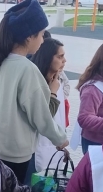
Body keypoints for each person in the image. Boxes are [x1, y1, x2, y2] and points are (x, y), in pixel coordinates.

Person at [0, 0, 68, 184]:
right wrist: (60, 138)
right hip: (18, 154)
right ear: (29, 37)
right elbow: (40, 116)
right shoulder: (28, 70)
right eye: (41, 35)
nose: (43, 41)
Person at [31, 37, 71, 173]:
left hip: (54, 147)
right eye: (60, 57)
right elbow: (44, 118)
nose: (64, 60)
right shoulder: (37, 83)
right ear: (48, 58)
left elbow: (59, 119)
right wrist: (52, 93)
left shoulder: (57, 81)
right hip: (34, 150)